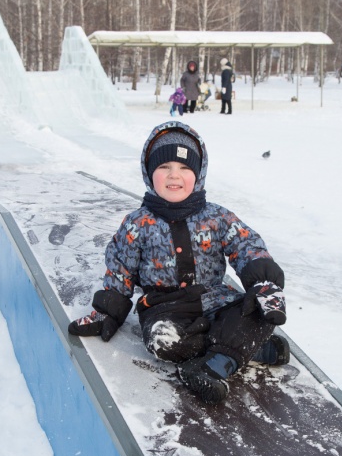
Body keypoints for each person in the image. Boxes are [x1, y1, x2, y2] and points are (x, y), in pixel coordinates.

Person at [68, 121, 290, 404]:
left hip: (216, 299)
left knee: (257, 309)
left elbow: (246, 244)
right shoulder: (138, 223)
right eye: (164, 167)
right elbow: (120, 268)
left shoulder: (217, 216)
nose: (175, 176)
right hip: (165, 308)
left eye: (185, 168)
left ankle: (213, 362)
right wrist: (107, 312)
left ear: (198, 175)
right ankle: (237, 351)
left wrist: (263, 282)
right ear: (149, 173)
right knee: (163, 341)